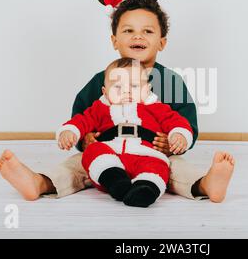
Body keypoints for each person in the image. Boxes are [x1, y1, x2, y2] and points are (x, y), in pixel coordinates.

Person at [0, 0, 235, 203]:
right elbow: (81, 115)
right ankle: (39, 182)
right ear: (114, 41)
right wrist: (84, 139)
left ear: (161, 42)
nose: (138, 36)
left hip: (154, 153)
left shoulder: (170, 81)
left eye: (148, 31)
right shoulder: (102, 80)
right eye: (128, 30)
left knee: (177, 169)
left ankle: (205, 184)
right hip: (106, 153)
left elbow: (185, 120)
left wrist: (176, 142)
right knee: (76, 166)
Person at [58, 57, 193, 207]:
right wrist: (70, 131)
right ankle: (114, 180)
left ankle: (146, 188)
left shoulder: (156, 107)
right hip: (111, 153)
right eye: (117, 87)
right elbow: (82, 120)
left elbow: (175, 120)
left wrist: (179, 134)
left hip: (146, 153)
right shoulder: (100, 108)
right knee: (93, 151)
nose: (126, 91)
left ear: (146, 90)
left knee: (158, 165)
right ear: (105, 91)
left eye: (134, 86)